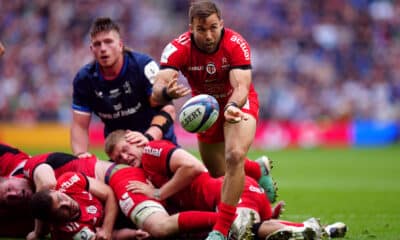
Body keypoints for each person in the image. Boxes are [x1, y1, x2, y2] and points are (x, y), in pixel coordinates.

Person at [151, 1, 270, 239]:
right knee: (220, 174)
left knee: (234, 155)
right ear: (191, 28)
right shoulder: (177, 48)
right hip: (206, 111)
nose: (208, 35)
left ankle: (221, 230)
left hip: (237, 103)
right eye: (201, 29)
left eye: (213, 27)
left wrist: (233, 106)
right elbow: (157, 89)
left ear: (221, 24)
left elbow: (242, 85)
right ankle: (257, 169)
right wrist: (167, 93)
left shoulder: (235, 43)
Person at [105, 130, 347, 240]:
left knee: (237, 233)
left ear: (134, 139)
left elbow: (194, 167)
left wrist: (158, 193)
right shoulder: (148, 171)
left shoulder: (151, 150)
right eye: (118, 159)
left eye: (125, 150)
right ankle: (320, 230)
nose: (124, 158)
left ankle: (308, 229)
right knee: (255, 231)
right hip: (242, 195)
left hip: (231, 193)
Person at [71, 17, 177, 158]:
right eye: (97, 44)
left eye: (108, 42)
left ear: (120, 45)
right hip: (122, 157)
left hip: (158, 145)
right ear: (92, 49)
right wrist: (81, 155)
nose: (103, 48)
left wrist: (148, 138)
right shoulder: (84, 79)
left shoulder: (143, 66)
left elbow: (167, 109)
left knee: (192, 170)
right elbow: (80, 125)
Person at [30, 171, 118, 240]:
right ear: (54, 221)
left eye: (61, 198)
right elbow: (108, 237)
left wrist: (106, 229)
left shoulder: (68, 182)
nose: (68, 204)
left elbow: (109, 193)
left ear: (54, 191)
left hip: (115, 199)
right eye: (62, 209)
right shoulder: (68, 232)